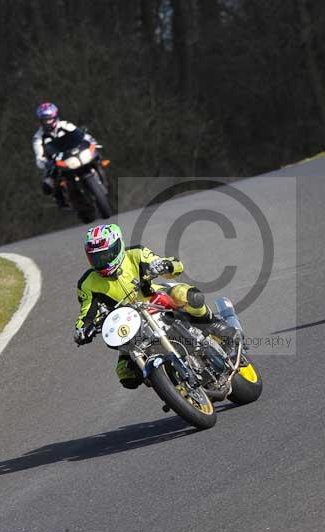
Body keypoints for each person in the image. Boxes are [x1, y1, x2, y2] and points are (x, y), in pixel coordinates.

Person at [73, 223, 237, 389]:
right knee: (126, 374)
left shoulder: (136, 254)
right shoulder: (87, 283)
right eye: (96, 258)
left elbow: (176, 265)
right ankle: (173, 386)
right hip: (130, 326)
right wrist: (82, 329)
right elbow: (86, 313)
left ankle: (213, 323)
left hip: (155, 300)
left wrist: (165, 265)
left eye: (106, 254)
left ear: (118, 246)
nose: (102, 261)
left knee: (186, 295)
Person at [31, 101, 94, 208]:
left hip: (73, 153)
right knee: (48, 184)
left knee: (94, 154)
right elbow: (39, 156)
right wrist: (44, 162)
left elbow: (81, 135)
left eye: (49, 119)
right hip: (57, 161)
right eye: (44, 120)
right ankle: (61, 200)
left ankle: (99, 172)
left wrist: (90, 140)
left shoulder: (65, 125)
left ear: (55, 117)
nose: (48, 122)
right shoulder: (38, 138)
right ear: (40, 121)